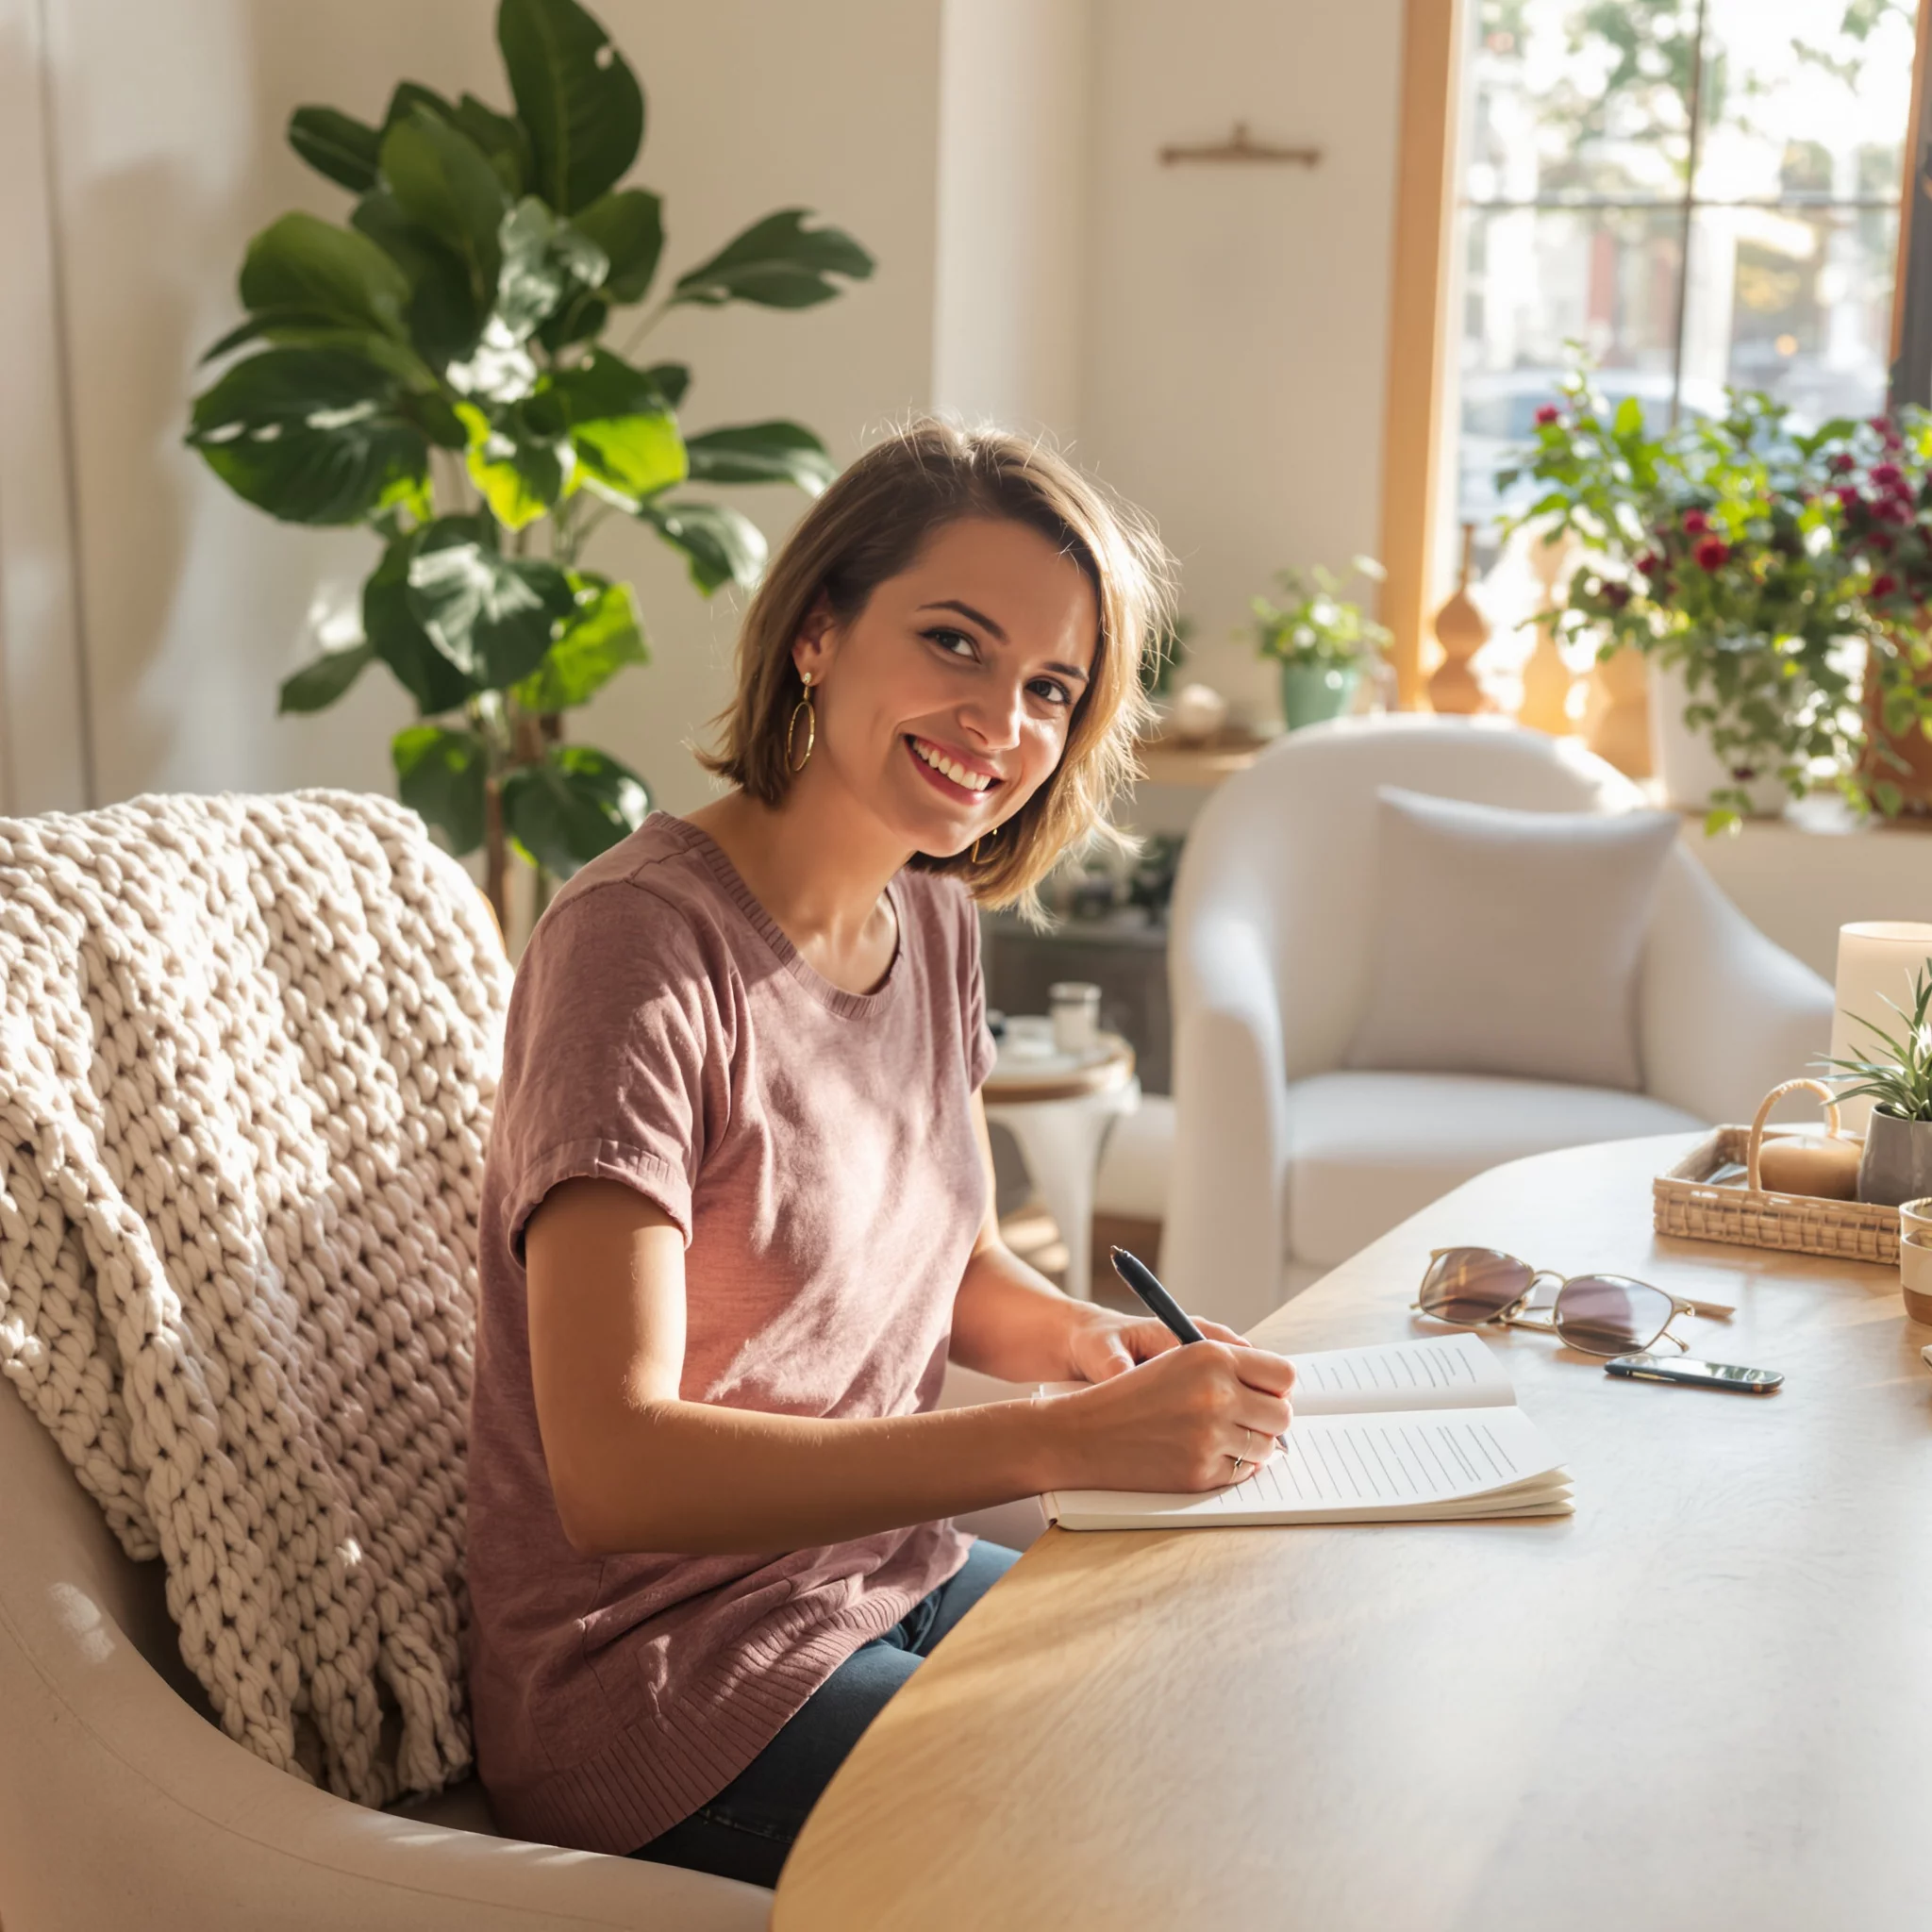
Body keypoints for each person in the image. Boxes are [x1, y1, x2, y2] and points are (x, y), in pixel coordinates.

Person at [464, 419, 1298, 1890]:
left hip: (875, 1578)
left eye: (1051, 687)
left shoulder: (936, 921)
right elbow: (612, 1466)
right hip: (664, 1680)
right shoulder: (638, 951)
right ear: (819, 633)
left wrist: (1090, 1352)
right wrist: (1053, 1444)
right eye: (957, 644)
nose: (1003, 722)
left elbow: (948, 1256)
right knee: (1126, 1832)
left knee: (1235, 1694)